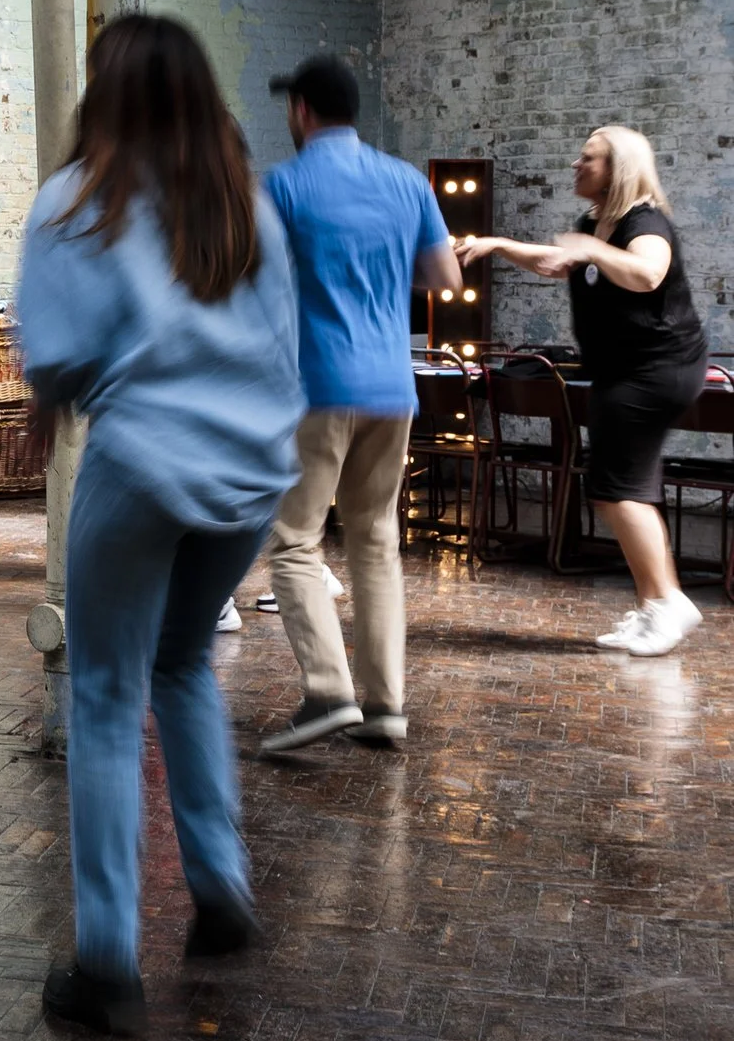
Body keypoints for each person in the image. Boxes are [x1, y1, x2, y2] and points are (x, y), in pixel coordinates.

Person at [16, 16, 303, 1036]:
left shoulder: (76, 203)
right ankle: (220, 889)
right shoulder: (245, 211)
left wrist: (46, 402)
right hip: (251, 477)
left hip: (139, 468)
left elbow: (52, 362)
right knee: (180, 661)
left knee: (100, 695)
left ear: (105, 91)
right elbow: (282, 353)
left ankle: (105, 961)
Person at [256, 56, 461, 753]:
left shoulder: (282, 186)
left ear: (303, 110)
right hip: (391, 386)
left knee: (294, 541)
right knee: (375, 540)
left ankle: (327, 690)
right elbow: (444, 275)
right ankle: (386, 706)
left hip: (315, 385)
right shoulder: (407, 182)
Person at [460, 126, 710, 656]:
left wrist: (594, 249)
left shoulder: (644, 222)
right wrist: (500, 244)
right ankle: (653, 607)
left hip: (656, 370)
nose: (576, 165)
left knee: (617, 488)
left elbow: (647, 274)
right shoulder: (595, 223)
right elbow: (555, 262)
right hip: (627, 371)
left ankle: (668, 603)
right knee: (621, 486)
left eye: (587, 158)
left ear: (616, 169)